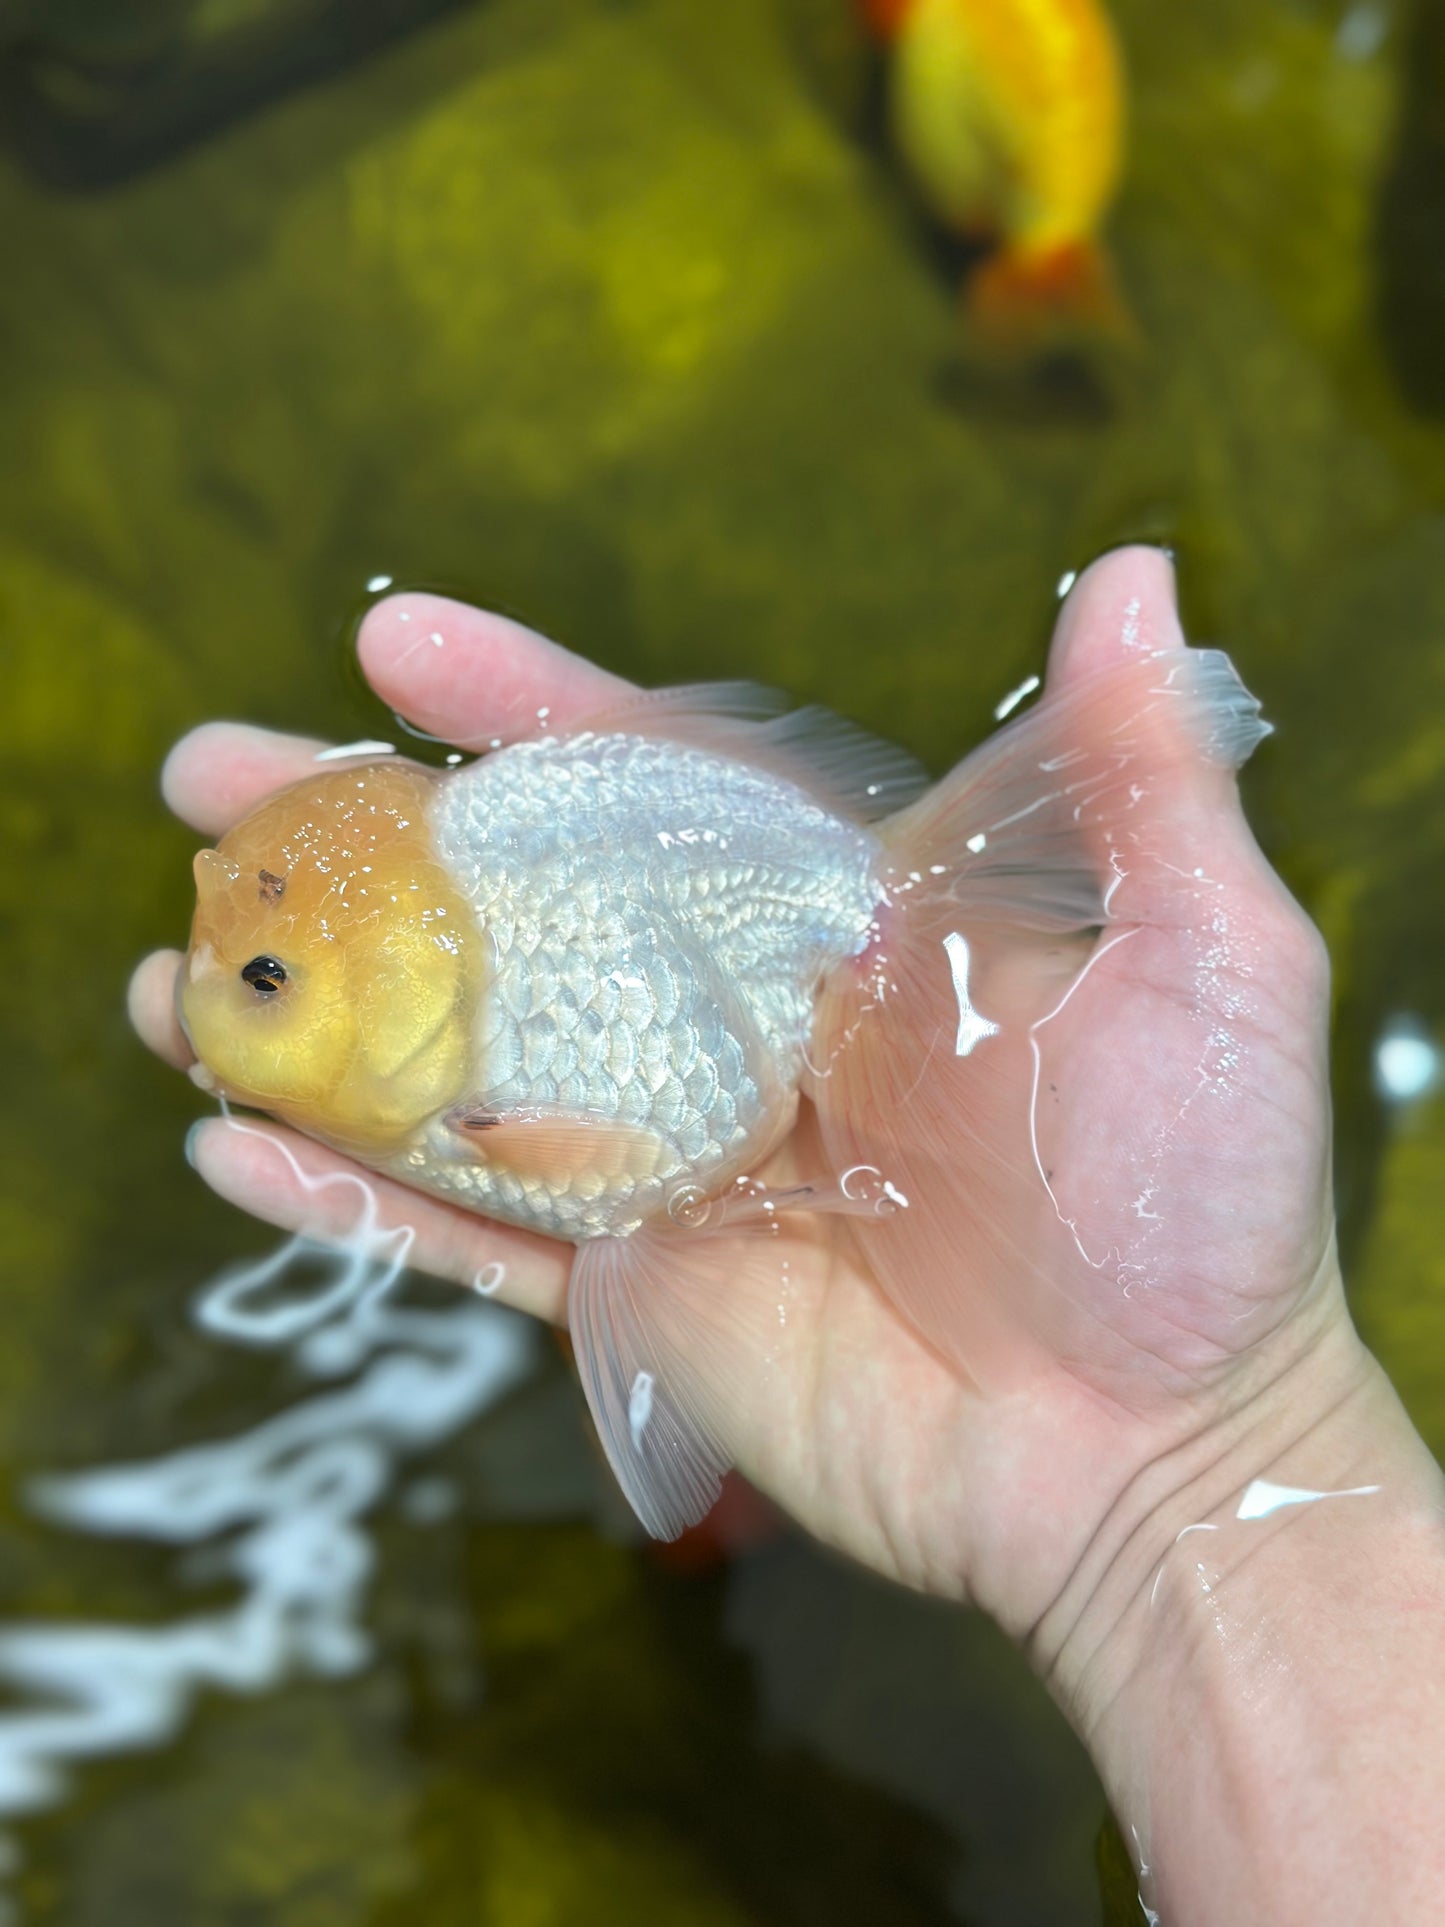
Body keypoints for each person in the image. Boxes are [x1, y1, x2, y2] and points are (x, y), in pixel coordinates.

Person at [128, 547, 1445, 1924]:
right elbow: (625, 1177)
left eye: (265, 982)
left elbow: (615, 1167)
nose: (229, 999)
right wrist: (1209, 1461)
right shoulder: (422, 958)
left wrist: (1195, 1449)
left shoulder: (477, 1056)